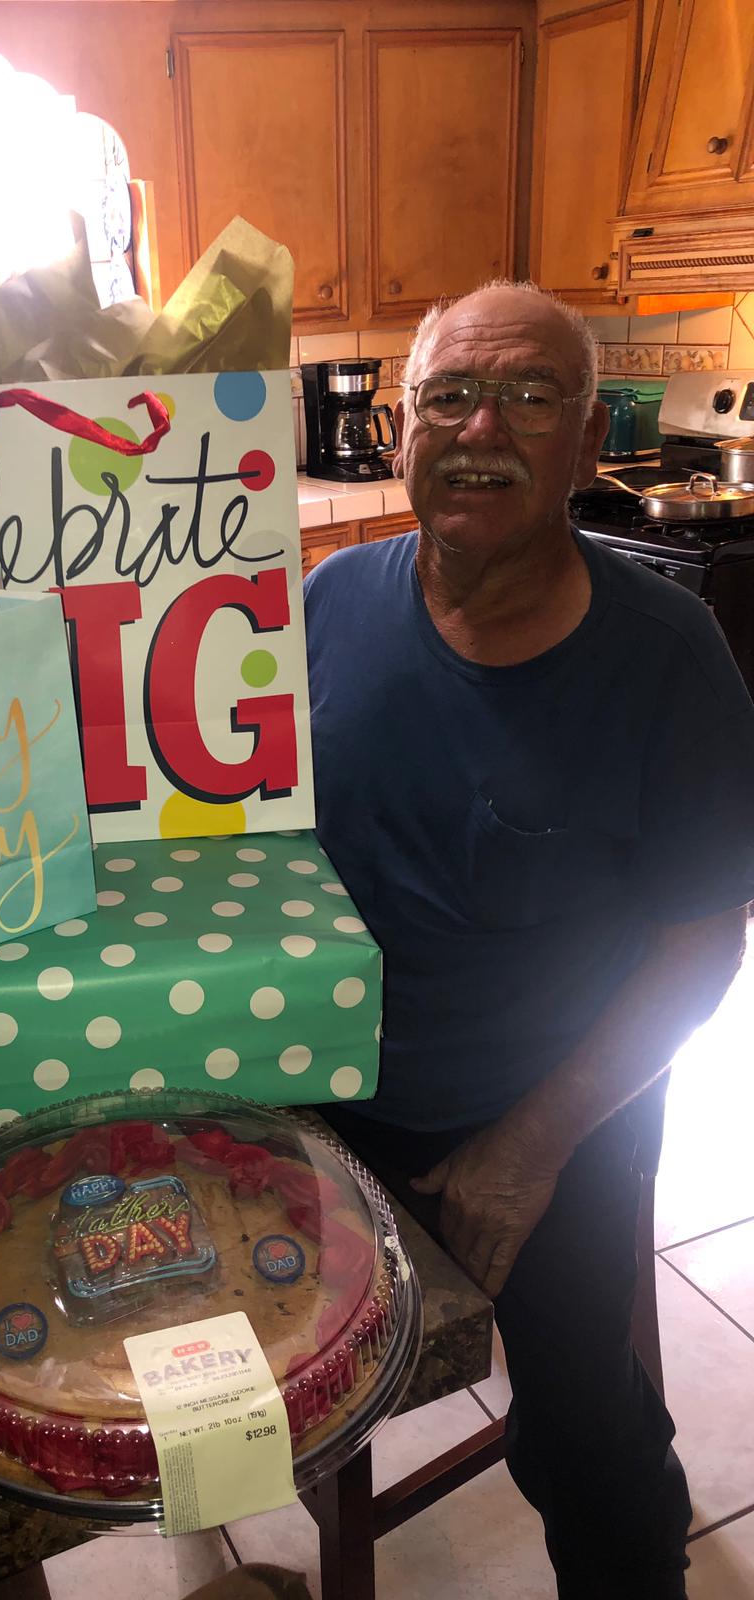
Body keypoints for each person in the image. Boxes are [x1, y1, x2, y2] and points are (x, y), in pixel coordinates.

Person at [304, 280, 754, 1599]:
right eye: (448, 395)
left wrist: (529, 1149)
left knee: (587, 1438)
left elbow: (702, 945)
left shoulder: (668, 661)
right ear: (402, 430)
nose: (480, 426)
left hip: (552, 1108)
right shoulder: (333, 604)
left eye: (529, 396)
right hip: (339, 1095)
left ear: (585, 444)